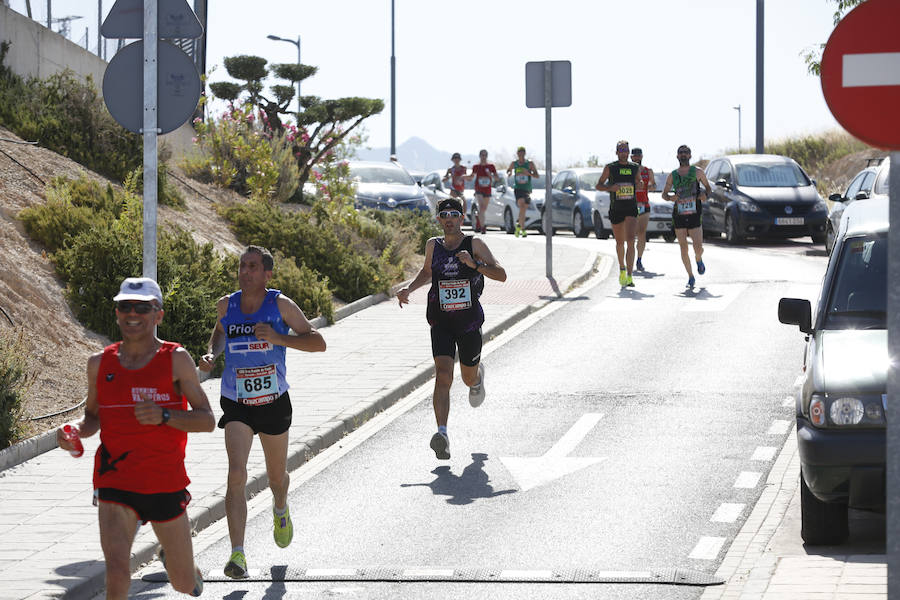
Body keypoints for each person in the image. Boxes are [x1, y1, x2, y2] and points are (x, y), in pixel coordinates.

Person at [56, 277, 215, 600]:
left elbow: (207, 420)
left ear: (158, 315)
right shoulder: (100, 364)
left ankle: (178, 564)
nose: (132, 314)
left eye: (141, 308)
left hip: (164, 481)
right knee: (116, 570)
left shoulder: (176, 359)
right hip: (115, 478)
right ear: (116, 313)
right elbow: (93, 417)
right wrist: (72, 431)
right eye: (125, 306)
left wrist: (165, 415)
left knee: (184, 584)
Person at [198, 245, 326, 579]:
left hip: (273, 402)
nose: (245, 272)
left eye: (253, 267)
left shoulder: (280, 305)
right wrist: (212, 355)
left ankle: (280, 507)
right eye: (242, 266)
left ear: (267, 273)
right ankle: (238, 554)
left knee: (275, 478)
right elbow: (220, 333)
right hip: (236, 401)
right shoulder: (227, 304)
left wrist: (279, 339)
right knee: (236, 474)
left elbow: (317, 341)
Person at [396, 198, 507, 460]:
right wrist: (408, 288)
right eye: (444, 215)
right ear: (438, 220)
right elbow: (427, 273)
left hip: (468, 323)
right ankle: (442, 434)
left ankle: (477, 378)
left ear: (462, 218)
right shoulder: (433, 245)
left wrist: (475, 265)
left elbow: (501, 274)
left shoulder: (474, 244)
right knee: (443, 374)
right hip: (441, 321)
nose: (449, 219)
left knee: (466, 378)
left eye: (454, 214)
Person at [661, 145, 712, 288]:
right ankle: (690, 276)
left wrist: (705, 196)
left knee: (698, 247)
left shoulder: (697, 172)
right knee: (683, 248)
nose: (683, 155)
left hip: (695, 214)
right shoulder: (673, 175)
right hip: (679, 215)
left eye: (686, 153)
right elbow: (664, 194)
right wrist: (670, 198)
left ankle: (699, 259)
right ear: (677, 156)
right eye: (681, 153)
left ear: (690, 156)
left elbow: (709, 189)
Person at [596, 140, 641, 287]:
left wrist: (639, 184)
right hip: (616, 208)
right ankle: (621, 268)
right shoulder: (610, 167)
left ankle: (629, 275)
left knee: (631, 240)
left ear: (628, 152)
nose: (623, 152)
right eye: (620, 150)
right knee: (620, 242)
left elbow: (638, 181)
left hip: (631, 207)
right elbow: (599, 185)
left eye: (625, 150)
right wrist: (610, 188)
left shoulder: (635, 167)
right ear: (616, 152)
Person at [631, 148, 656, 272]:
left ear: (641, 157)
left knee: (641, 233)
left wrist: (651, 186)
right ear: (631, 157)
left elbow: (654, 184)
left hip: (644, 204)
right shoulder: (627, 171)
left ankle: (639, 259)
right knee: (630, 234)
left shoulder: (647, 171)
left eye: (638, 156)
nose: (636, 158)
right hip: (630, 205)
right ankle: (628, 259)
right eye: (634, 156)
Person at [506, 146, 539, 237]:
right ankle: (523, 229)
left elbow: (537, 175)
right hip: (518, 188)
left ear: (525, 153)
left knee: (524, 208)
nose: (521, 154)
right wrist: (509, 172)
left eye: (522, 152)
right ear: (517, 154)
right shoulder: (514, 163)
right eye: (519, 152)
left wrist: (528, 173)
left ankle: (519, 225)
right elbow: (508, 170)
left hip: (527, 189)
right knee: (522, 204)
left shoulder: (530, 164)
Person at [468, 149, 499, 235]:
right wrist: (464, 177)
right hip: (479, 189)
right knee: (481, 206)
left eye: (485, 155)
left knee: (483, 209)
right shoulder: (476, 166)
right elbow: (471, 176)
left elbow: (497, 178)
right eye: (482, 155)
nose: (483, 157)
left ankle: (479, 218)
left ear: (487, 156)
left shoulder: (491, 166)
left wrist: (491, 175)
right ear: (480, 156)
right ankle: (482, 227)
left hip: (487, 189)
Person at [442, 152, 469, 216]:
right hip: (453, 190)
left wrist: (464, 177)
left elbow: (467, 178)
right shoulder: (450, 169)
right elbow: (444, 179)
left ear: (460, 159)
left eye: (458, 158)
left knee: (464, 205)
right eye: (455, 158)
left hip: (461, 190)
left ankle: (461, 219)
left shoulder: (464, 168)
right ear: (452, 160)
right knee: (453, 206)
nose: (456, 160)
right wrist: (448, 177)